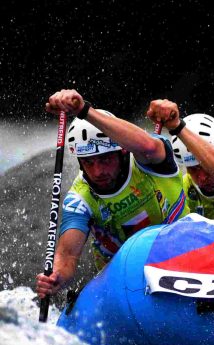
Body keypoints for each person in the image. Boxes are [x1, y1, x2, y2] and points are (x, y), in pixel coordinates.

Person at [35, 89, 189, 299]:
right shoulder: (79, 199)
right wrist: (56, 278)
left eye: (105, 160)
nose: (98, 172)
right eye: (89, 162)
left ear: (122, 151)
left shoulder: (148, 160)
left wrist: (83, 110)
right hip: (126, 285)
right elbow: (67, 256)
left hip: (186, 256)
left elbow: (146, 145)